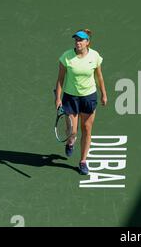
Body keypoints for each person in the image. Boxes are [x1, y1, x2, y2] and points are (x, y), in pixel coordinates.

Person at [54, 29, 107, 175]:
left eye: (80, 40)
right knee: (73, 131)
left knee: (87, 129)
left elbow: (99, 77)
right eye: (76, 40)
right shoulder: (66, 57)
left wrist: (104, 94)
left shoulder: (95, 56)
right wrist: (58, 98)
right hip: (70, 98)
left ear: (87, 42)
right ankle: (70, 142)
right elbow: (60, 79)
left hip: (88, 97)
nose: (77, 42)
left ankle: (83, 161)